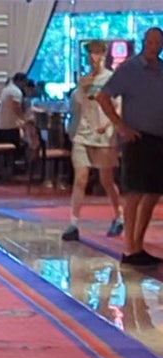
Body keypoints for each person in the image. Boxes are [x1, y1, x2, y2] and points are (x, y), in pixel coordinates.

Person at [97, 26, 163, 268]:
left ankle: (138, 244)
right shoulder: (130, 69)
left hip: (158, 139)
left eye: (158, 42)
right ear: (144, 42)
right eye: (150, 41)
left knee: (153, 192)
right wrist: (120, 126)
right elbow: (104, 97)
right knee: (134, 192)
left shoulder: (161, 70)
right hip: (137, 138)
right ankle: (130, 248)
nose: (154, 46)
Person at [62, 40, 123, 242]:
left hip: (104, 136)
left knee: (106, 180)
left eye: (96, 53)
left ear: (104, 54)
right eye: (89, 53)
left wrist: (108, 126)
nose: (92, 57)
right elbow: (78, 105)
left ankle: (118, 214)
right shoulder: (83, 80)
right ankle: (73, 222)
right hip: (83, 134)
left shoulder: (112, 79)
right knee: (80, 178)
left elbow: (118, 107)